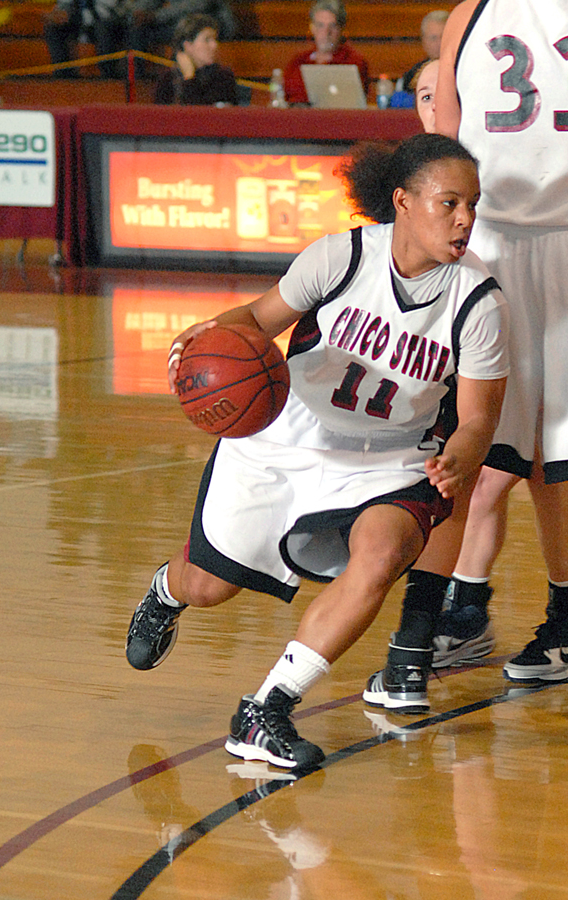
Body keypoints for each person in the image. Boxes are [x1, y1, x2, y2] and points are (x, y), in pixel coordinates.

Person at [124, 133, 510, 768]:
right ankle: (169, 590)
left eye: (473, 204)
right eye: (450, 203)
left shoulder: (479, 303)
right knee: (210, 587)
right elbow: (259, 318)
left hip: (388, 458)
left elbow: (476, 420)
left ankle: (266, 709)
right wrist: (214, 332)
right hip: (284, 435)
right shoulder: (341, 258)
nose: (466, 218)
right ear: (403, 202)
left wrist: (464, 453)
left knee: (383, 551)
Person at [370, 0, 568, 740]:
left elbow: (441, 153)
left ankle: (409, 660)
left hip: (496, 254)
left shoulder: (467, 18)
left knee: (462, 461)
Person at [282, 0, 370, 106]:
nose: (326, 32)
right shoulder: (298, 62)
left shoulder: (354, 62)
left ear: (341, 29)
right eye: (320, 25)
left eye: (332, 26)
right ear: (312, 28)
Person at [127, 0, 235, 75]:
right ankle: (137, 80)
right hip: (175, 20)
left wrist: (156, 16)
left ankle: (178, 77)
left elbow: (196, 5)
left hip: (209, 20)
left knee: (182, 30)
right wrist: (138, 12)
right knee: (137, 30)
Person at [154, 14, 237, 104]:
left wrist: (190, 79)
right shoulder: (168, 78)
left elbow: (200, 113)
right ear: (188, 45)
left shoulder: (223, 76)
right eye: (207, 40)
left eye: (215, 39)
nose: (214, 45)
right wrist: (189, 76)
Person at [43, 0, 126, 78]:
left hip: (107, 20)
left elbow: (114, 7)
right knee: (54, 28)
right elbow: (64, 4)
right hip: (77, 19)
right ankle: (63, 74)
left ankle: (109, 75)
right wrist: (60, 13)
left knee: (103, 29)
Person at [395, 10, 448, 94]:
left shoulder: (463, 71)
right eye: (433, 38)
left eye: (443, 36)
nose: (439, 43)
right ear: (423, 40)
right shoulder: (411, 76)